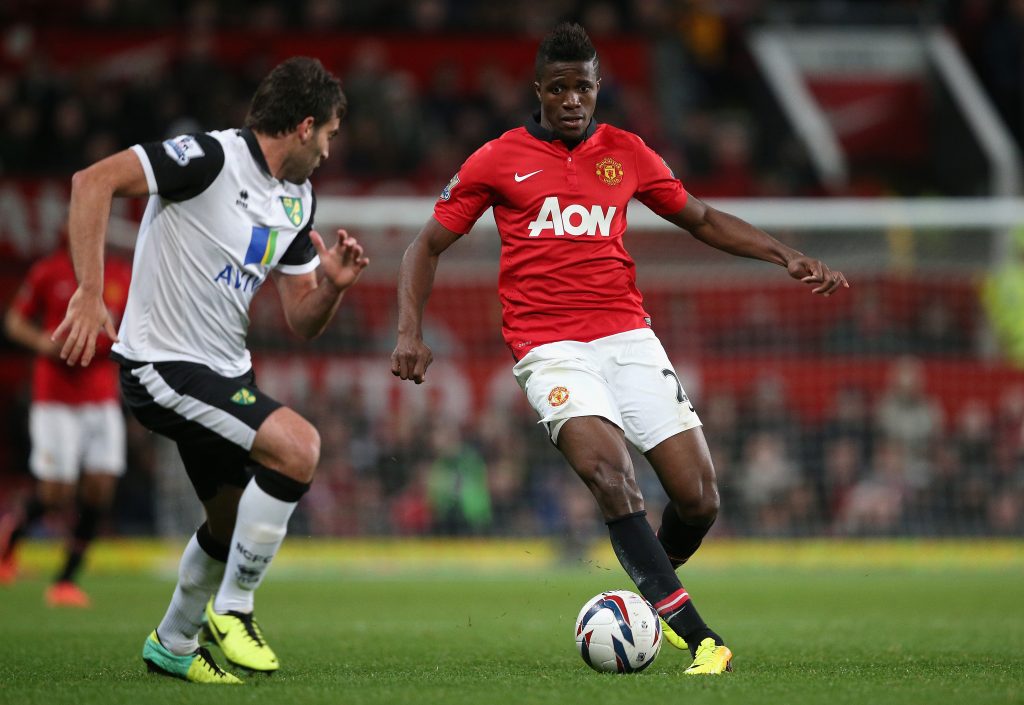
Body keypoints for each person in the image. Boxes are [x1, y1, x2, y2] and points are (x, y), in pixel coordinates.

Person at [391, 23, 848, 676]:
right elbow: (423, 246)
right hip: (549, 348)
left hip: (628, 337)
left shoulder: (625, 152)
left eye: (583, 86)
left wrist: (786, 255)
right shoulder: (497, 158)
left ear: (598, 88)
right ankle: (699, 636)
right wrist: (410, 330)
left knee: (700, 499)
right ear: (539, 91)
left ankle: (645, 598)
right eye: (559, 88)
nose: (572, 99)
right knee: (611, 477)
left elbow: (702, 218)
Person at [53, 57, 368, 685]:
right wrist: (90, 290)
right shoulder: (208, 159)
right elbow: (91, 181)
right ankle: (235, 608)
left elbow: (302, 319)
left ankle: (172, 643)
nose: (330, 151)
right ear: (304, 127)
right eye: (329, 134)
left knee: (229, 522)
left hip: (224, 374)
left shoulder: (299, 199)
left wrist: (330, 287)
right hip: (161, 365)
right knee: (300, 448)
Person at [0, 239, 131, 607]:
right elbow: (14, 321)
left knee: (100, 489)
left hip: (102, 394)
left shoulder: (122, 274)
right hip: (55, 396)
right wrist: (42, 342)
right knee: (56, 492)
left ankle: (66, 579)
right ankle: (11, 539)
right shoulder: (48, 270)